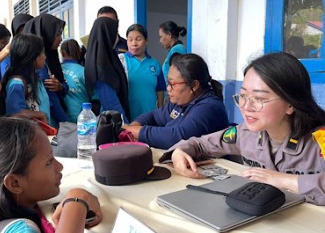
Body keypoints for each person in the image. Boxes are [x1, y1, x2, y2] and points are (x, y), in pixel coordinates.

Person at [165, 52, 325, 205]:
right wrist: (179, 152)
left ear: (290, 104)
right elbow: (201, 144)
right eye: (243, 96)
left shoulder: (320, 139)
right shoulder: (246, 134)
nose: (246, 106)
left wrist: (283, 180)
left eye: (259, 98)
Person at [123, 53, 229, 149]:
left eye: (173, 84)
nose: (168, 88)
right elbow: (154, 116)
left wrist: (128, 129)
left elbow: (175, 137)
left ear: (194, 85)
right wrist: (133, 127)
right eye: (168, 83)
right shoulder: (179, 103)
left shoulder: (209, 107)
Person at [23, 14, 68, 126]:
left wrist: (60, 87)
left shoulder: (51, 58)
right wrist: (66, 124)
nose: (60, 39)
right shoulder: (38, 67)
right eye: (57, 34)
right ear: (47, 33)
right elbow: (52, 100)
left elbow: (64, 87)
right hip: (49, 123)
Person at [84, 16, 130, 123]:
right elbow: (111, 103)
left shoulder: (107, 58)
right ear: (107, 35)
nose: (117, 38)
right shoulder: (101, 65)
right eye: (114, 33)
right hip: (110, 122)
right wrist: (127, 127)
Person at [119, 24, 166, 121]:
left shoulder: (155, 63)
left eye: (138, 39)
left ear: (146, 41)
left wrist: (160, 110)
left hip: (150, 116)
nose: (134, 43)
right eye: (130, 39)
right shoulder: (121, 61)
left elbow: (160, 89)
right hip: (128, 116)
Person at [0, 34, 50, 123]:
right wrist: (40, 115)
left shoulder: (35, 79)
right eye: (42, 53)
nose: (45, 57)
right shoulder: (17, 83)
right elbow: (14, 113)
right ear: (32, 56)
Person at [61, 39, 95, 122]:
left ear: (62, 53)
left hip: (61, 117)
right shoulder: (85, 71)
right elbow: (94, 95)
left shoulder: (56, 70)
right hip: (82, 117)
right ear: (79, 53)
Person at [159, 21, 187, 89]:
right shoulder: (175, 50)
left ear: (169, 34)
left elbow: (177, 75)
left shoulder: (177, 50)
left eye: (161, 37)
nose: (160, 41)